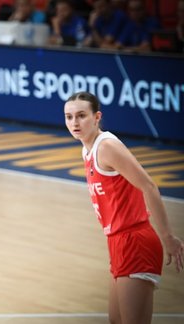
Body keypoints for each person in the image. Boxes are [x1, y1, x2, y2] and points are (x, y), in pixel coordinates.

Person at [63, 91, 184, 324]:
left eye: (81, 116)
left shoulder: (106, 147)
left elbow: (149, 186)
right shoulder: (86, 149)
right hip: (117, 241)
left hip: (135, 240)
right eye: (69, 117)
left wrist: (167, 237)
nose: (74, 123)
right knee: (116, 320)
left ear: (97, 117)